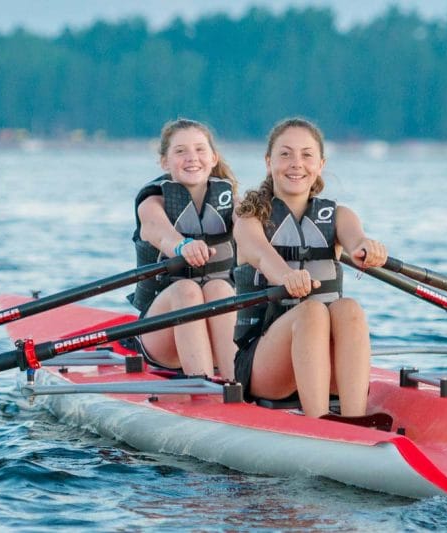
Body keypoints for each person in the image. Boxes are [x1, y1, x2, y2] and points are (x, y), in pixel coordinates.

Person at [231, 117, 387, 418]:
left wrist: (367, 249)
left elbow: (357, 240)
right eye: (285, 154)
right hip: (264, 368)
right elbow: (263, 256)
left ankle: (355, 420)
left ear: (320, 164)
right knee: (312, 311)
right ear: (268, 161)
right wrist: (287, 277)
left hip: (323, 366)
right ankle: (319, 423)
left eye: (306, 155)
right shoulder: (248, 221)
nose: (296, 164)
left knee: (349, 308)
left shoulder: (339, 215)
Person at [128, 118, 239, 379]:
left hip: (217, 331)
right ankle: (201, 387)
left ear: (213, 158)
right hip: (162, 337)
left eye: (200, 149)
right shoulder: (152, 202)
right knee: (186, 290)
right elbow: (159, 232)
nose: (192, 158)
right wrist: (182, 246)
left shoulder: (234, 203)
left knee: (220, 288)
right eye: (180, 151)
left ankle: (238, 386)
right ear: (165, 162)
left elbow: (252, 229)